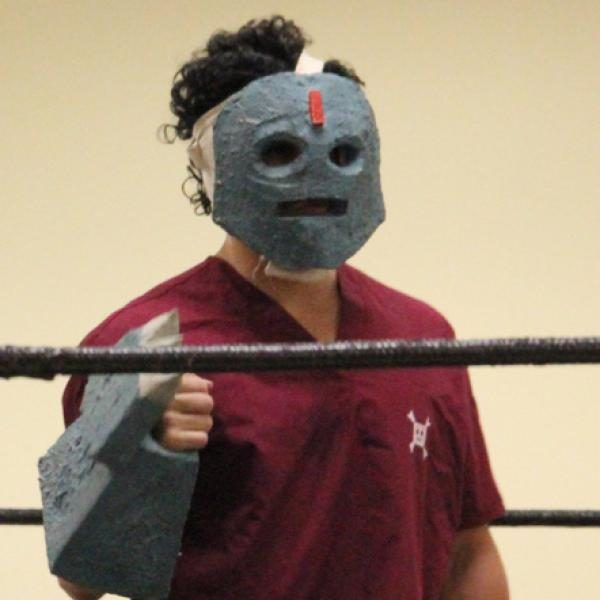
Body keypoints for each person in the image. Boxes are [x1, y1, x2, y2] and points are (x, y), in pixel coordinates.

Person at [59, 16, 509, 600]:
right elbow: (80, 583)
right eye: (277, 151)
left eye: (341, 152)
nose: (314, 176)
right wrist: (134, 450)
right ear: (213, 166)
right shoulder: (141, 345)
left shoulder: (422, 337)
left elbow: (467, 550)